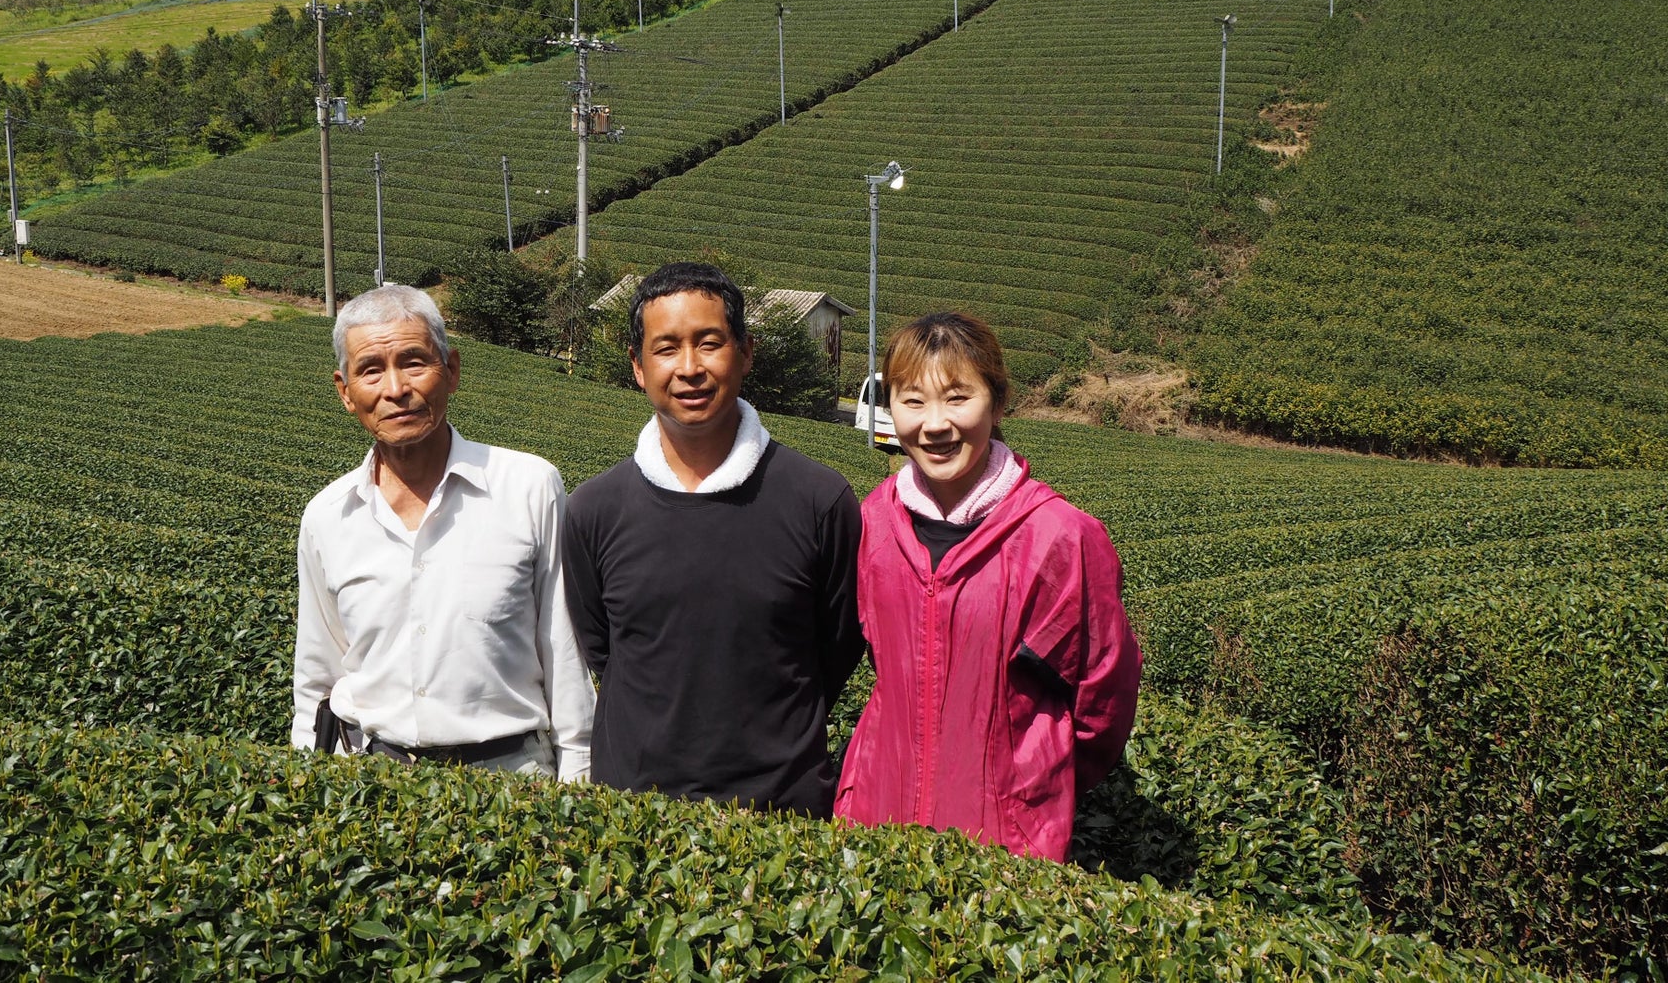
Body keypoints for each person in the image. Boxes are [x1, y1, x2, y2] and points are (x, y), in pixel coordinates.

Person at [562, 262, 864, 815]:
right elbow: (604, 650)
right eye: (666, 348)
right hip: (633, 814)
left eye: (709, 343)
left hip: (783, 813)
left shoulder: (820, 501)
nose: (690, 368)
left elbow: (837, 646)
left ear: (745, 353)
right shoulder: (593, 510)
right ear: (638, 366)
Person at [835, 311, 1140, 860]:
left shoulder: (1061, 539)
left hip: (1006, 846)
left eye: (957, 398)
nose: (934, 424)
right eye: (912, 400)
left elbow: (1102, 703)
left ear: (997, 404)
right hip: (874, 826)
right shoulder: (871, 524)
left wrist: (1034, 794)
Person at [291, 283, 595, 779]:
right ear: (346, 393)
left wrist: (578, 778)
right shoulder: (327, 516)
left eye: (414, 362)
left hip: (513, 776)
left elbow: (562, 648)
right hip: (369, 780)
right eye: (371, 370)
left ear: (451, 371)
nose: (396, 389)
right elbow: (317, 675)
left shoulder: (528, 487)